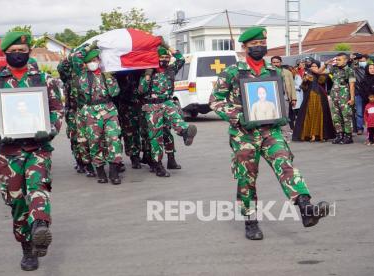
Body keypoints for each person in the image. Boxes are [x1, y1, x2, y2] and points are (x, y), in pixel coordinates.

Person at [209, 26, 329, 240]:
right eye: (254, 45)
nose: (258, 47)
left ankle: (306, 208)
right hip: (243, 133)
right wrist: (238, 115)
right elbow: (215, 101)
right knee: (247, 177)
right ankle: (250, 221)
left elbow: (276, 98)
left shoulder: (274, 72)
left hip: (270, 131)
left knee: (285, 164)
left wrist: (281, 113)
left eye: (261, 44)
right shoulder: (233, 71)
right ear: (244, 47)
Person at [0, 31, 64, 271]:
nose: (17, 55)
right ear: (5, 54)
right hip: (7, 151)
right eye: (13, 52)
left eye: (22, 52)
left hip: (38, 147)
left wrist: (51, 129)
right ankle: (26, 247)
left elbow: (57, 109)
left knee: (38, 187)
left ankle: (39, 229)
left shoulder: (45, 80)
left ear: (29, 53)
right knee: (16, 201)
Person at [138, 42, 197, 177]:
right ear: (156, 58)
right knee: (156, 137)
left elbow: (181, 59)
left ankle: (185, 132)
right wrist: (147, 76)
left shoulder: (171, 69)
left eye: (167, 57)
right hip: (152, 106)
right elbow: (141, 90)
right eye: (162, 57)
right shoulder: (148, 72)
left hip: (167, 102)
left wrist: (166, 45)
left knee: (175, 121)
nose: (165, 60)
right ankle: (157, 165)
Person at [70, 41, 123, 185]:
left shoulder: (107, 75)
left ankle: (113, 170)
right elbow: (75, 56)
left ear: (99, 60)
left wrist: (110, 78)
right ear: (85, 63)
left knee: (114, 139)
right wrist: (89, 47)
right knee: (95, 142)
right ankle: (99, 170)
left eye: (95, 60)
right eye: (90, 61)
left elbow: (115, 92)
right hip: (90, 112)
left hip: (109, 110)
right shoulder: (81, 75)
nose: (94, 63)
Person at [57, 54, 95, 177]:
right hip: (73, 111)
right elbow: (61, 67)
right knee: (76, 138)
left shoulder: (87, 74)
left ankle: (93, 161)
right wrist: (69, 57)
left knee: (93, 137)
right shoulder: (67, 76)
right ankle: (81, 162)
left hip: (87, 109)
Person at [317, 53, 356, 144]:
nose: (337, 61)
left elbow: (352, 85)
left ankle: (348, 136)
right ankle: (339, 135)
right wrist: (326, 63)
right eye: (336, 59)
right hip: (334, 96)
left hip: (345, 96)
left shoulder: (349, 70)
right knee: (336, 117)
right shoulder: (334, 69)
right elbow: (319, 72)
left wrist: (352, 98)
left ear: (345, 60)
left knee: (346, 116)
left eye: (339, 60)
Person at [292, 60, 335, 142]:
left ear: (318, 67)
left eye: (315, 66)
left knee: (320, 115)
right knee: (309, 115)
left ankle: (320, 135)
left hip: (320, 97)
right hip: (309, 97)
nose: (313, 68)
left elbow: (322, 81)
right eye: (312, 66)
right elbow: (303, 87)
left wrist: (320, 72)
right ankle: (311, 135)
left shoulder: (323, 74)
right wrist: (305, 80)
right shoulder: (307, 74)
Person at [271, 56, 297, 128]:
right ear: (271, 63)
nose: (275, 64)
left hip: (285, 97)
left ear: (281, 62)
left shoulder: (287, 72)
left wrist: (293, 98)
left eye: (277, 62)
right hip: (273, 98)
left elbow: (292, 85)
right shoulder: (268, 72)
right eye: (274, 62)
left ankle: (286, 133)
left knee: (285, 116)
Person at [352, 54, 368, 135]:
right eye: (360, 61)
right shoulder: (355, 68)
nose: (362, 62)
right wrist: (353, 58)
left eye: (363, 61)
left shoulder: (370, 69)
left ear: (367, 61)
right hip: (358, 93)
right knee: (359, 112)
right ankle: (359, 128)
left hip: (369, 93)